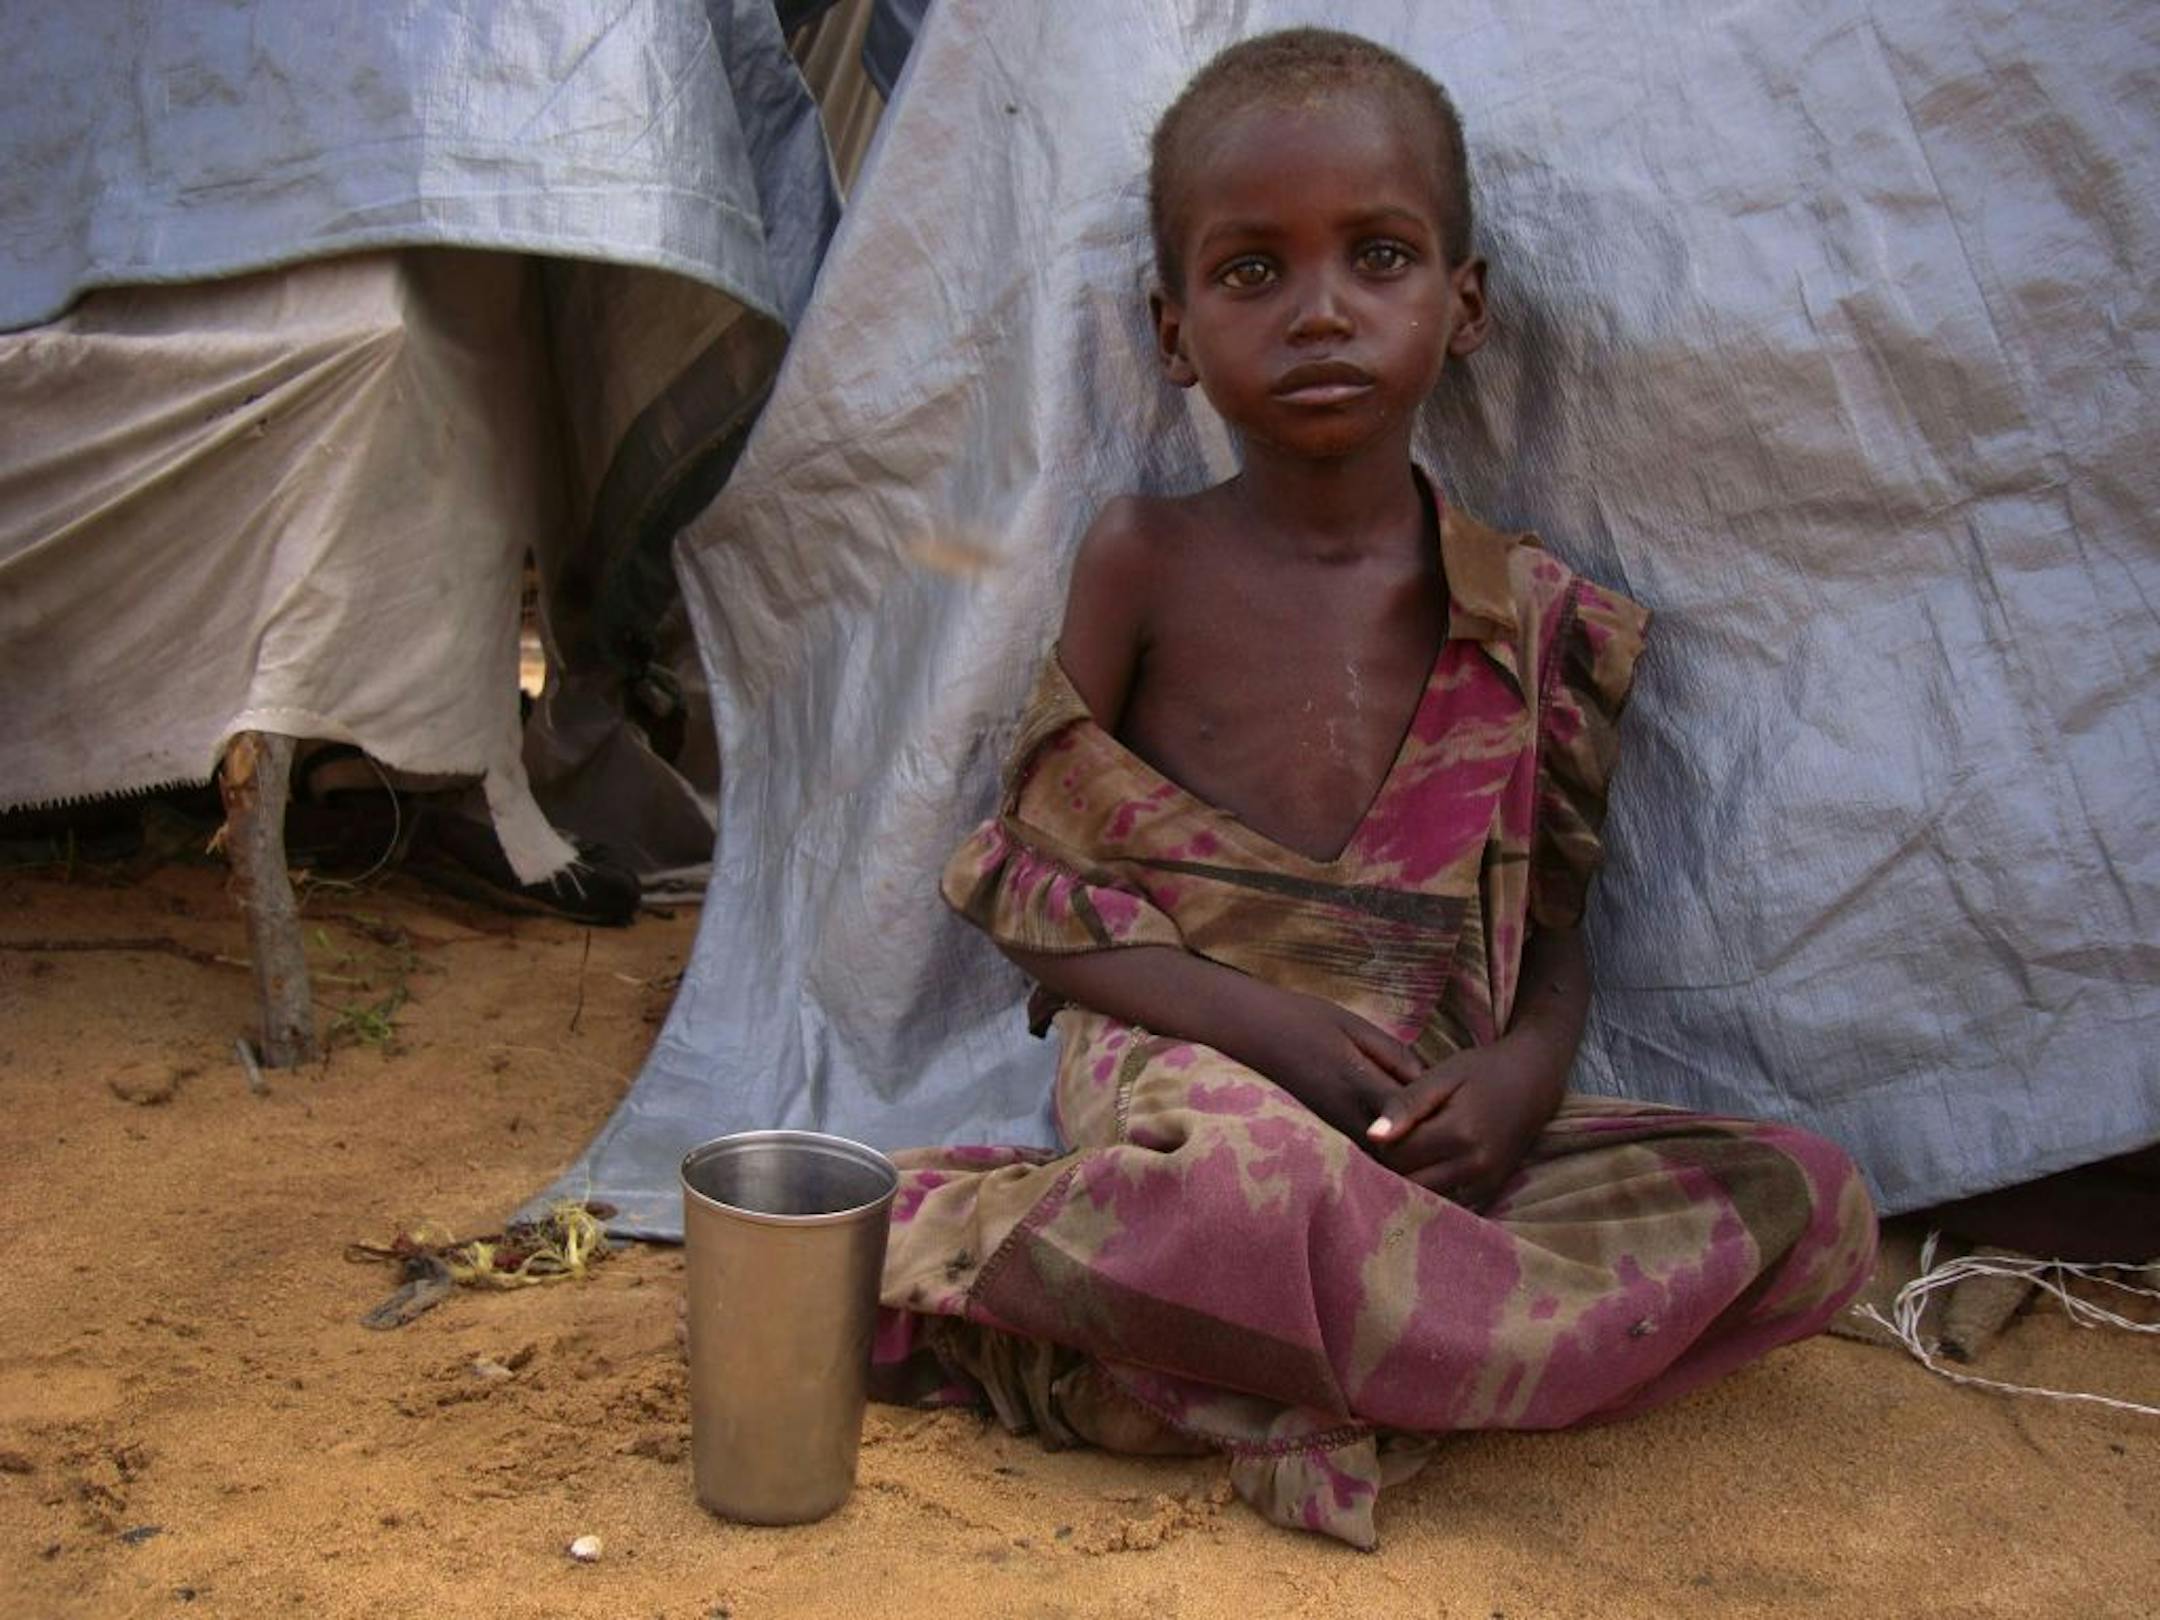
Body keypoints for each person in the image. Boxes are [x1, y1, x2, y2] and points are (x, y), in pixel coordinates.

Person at [873, 28, 1877, 1548]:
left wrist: (1523, 1080)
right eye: (1252, 272)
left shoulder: (1540, 619)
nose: (1322, 311)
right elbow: (1030, 903)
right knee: (1241, 1194)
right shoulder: (1144, 559)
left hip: (1429, 1134)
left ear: (1463, 304)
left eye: (1381, 257)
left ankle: (1189, 1369)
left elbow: (1553, 938)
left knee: (1812, 1205)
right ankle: (1002, 1258)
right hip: (1190, 1078)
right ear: (1171, 326)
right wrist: (1268, 1030)